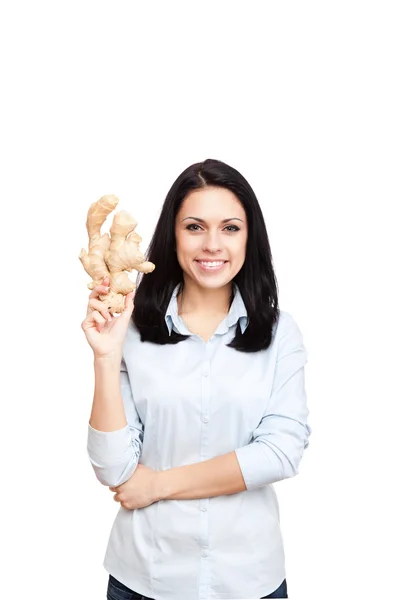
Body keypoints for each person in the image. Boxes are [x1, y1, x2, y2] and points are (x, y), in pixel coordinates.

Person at [81, 158, 311, 600]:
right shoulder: (128, 328)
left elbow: (281, 452)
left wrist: (160, 484)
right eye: (194, 227)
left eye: (229, 228)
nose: (212, 245)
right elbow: (114, 469)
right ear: (173, 236)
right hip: (145, 577)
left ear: (250, 238)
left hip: (249, 580)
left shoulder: (281, 333)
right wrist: (107, 359)